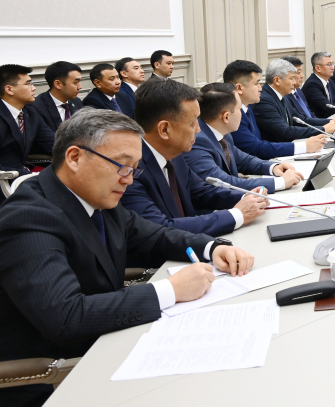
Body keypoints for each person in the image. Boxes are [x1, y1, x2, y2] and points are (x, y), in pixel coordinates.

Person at [0, 109, 255, 407]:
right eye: (122, 166)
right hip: (58, 378)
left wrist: (212, 248)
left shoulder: (94, 196)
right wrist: (170, 290)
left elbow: (155, 235)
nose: (130, 180)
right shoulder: (29, 217)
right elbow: (66, 317)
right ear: (75, 157)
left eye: (135, 169)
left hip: (109, 342)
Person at [121, 77, 269, 240]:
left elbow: (201, 192)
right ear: (164, 129)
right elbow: (161, 228)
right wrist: (237, 214)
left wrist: (246, 197)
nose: (198, 130)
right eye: (192, 123)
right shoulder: (130, 170)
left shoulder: (174, 155)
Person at [185, 83, 304, 194]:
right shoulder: (197, 141)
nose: (242, 113)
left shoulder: (222, 132)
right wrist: (280, 182)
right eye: (239, 109)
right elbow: (222, 181)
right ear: (226, 117)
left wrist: (273, 167)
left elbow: (243, 160)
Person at [223, 60, 328, 159]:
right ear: (239, 88)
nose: (260, 88)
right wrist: (304, 146)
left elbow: (299, 119)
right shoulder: (234, 115)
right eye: (256, 83)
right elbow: (255, 148)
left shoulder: (247, 109)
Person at [257, 59, 335, 141]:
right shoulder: (263, 101)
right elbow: (285, 132)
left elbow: (301, 120)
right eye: (291, 78)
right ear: (277, 80)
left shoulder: (282, 95)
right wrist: (323, 129)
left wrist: (331, 122)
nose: (294, 82)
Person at [0, 65, 55, 175]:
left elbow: (52, 142)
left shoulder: (31, 113)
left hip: (24, 171)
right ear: (9, 89)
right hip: (7, 177)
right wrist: (26, 176)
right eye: (28, 84)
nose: (34, 88)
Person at [32, 61, 83, 132]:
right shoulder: (36, 107)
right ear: (58, 84)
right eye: (76, 82)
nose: (80, 87)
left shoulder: (76, 101)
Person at [281, 56, 318, 120]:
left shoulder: (298, 90)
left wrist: (326, 123)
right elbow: (299, 120)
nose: (302, 76)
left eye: (301, 71)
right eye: (299, 72)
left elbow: (309, 113)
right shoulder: (284, 95)